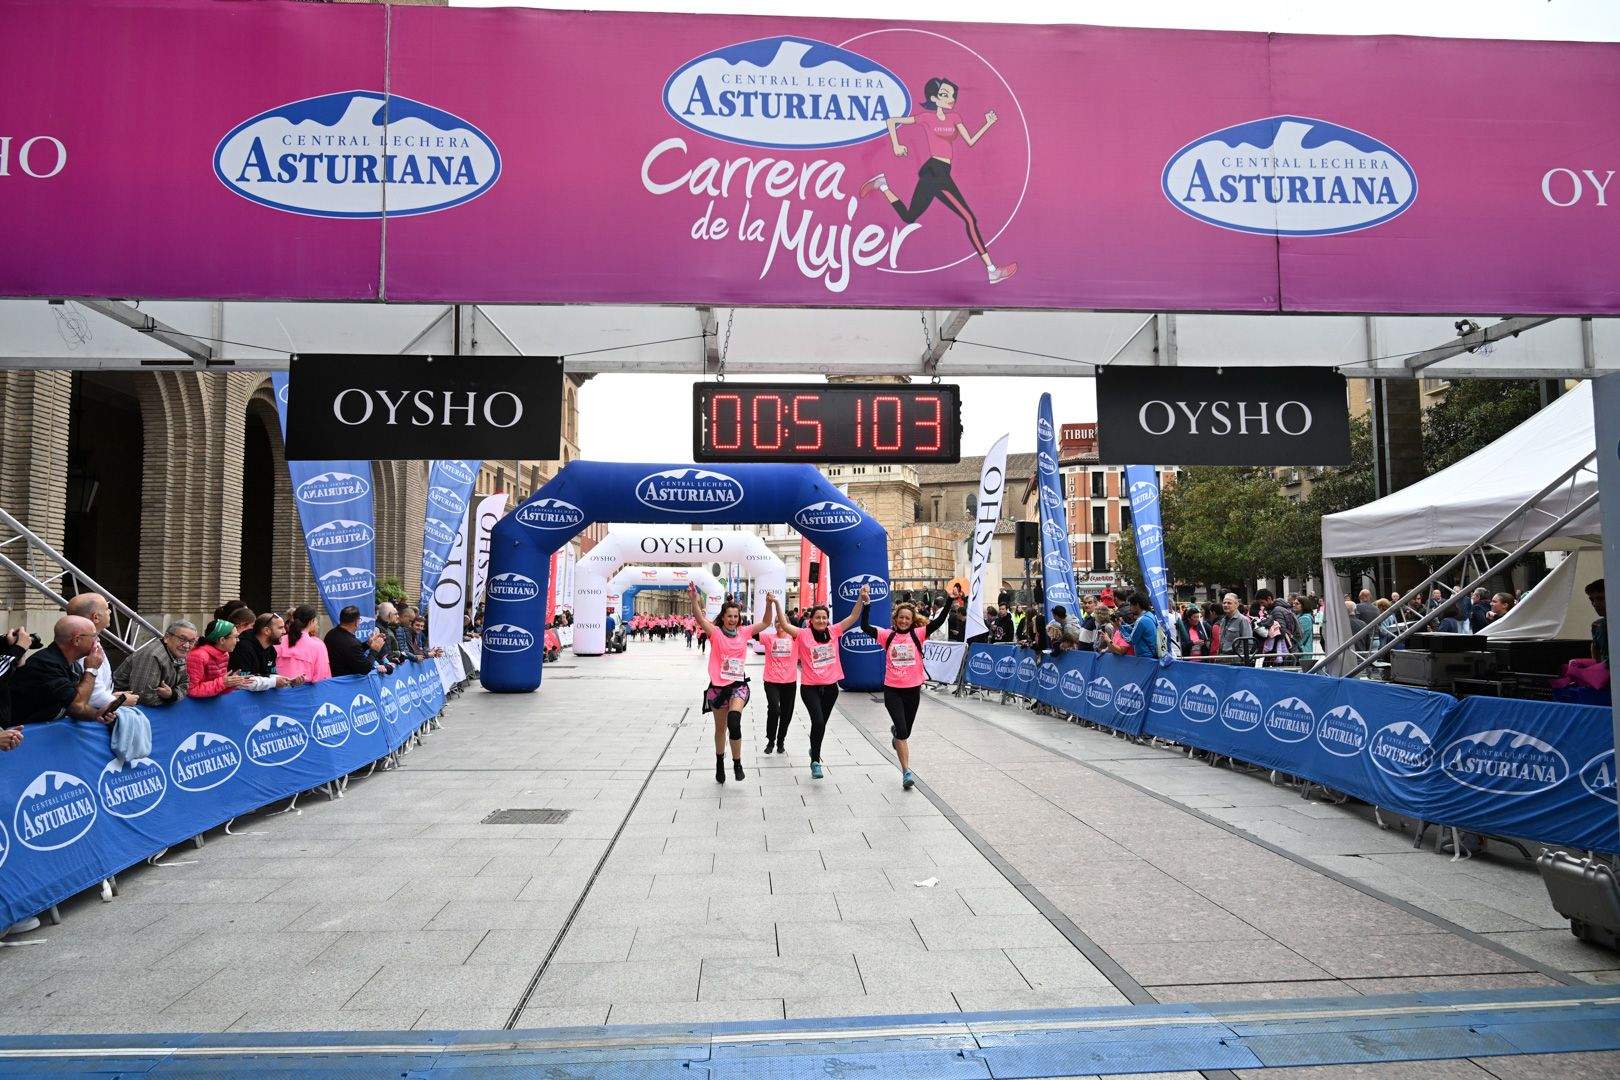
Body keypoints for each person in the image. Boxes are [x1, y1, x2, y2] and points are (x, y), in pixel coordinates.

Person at [859, 77, 1017, 285]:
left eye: (952, 95)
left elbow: (970, 141)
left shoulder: (955, 117)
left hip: (940, 173)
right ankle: (991, 270)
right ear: (934, 98)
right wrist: (896, 145)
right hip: (935, 171)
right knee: (969, 219)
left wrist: (987, 124)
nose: (950, 98)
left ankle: (883, 185)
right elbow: (891, 121)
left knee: (909, 216)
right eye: (944, 95)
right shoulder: (926, 118)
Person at [860, 587, 950, 790]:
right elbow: (865, 626)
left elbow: (939, 621)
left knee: (905, 731)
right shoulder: (887, 636)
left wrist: (950, 600)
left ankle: (897, 733)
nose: (904, 621)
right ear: (896, 618)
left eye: (907, 618)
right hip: (892, 689)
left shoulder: (919, 634)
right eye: (901, 618)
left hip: (912, 690)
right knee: (902, 731)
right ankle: (906, 771)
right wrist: (866, 604)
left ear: (912, 620)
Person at [689, 583, 775, 785]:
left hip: (738, 687)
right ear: (724, 617)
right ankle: (720, 762)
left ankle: (737, 763)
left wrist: (769, 604)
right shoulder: (715, 633)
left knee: (734, 723)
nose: (733, 620)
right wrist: (694, 599)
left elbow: (765, 622)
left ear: (739, 618)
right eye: (730, 616)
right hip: (718, 689)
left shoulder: (744, 632)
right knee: (720, 729)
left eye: (736, 616)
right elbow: (700, 619)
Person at [772, 596, 866, 778]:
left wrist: (861, 599)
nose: (821, 621)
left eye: (824, 617)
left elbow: (854, 616)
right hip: (810, 688)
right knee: (818, 722)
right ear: (811, 620)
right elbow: (784, 625)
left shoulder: (834, 630)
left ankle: (813, 749)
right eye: (818, 618)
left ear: (827, 619)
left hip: (831, 688)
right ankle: (815, 761)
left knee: (820, 726)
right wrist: (776, 604)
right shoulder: (802, 633)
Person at [9, 616, 117, 726]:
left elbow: (71, 707)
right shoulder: (46, 665)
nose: (97, 640)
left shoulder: (72, 665)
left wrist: (97, 714)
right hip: (19, 734)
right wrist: (91, 670)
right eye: (94, 636)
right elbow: (77, 705)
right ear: (77, 640)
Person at [65, 593, 140, 715]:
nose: (110, 611)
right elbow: (92, 694)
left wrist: (111, 696)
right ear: (95, 617)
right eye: (106, 609)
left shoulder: (91, 641)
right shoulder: (82, 646)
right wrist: (117, 701)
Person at [115, 620, 196, 707]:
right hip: (122, 707)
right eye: (182, 639)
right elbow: (143, 697)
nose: (187, 646)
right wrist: (169, 699)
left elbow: (185, 683)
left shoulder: (178, 654)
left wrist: (172, 695)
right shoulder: (152, 655)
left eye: (191, 641)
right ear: (167, 637)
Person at [757, 596, 800, 756]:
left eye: (781, 621)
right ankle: (770, 740)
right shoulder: (768, 638)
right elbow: (750, 633)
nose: (778, 624)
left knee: (786, 713)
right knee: (774, 709)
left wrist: (777, 604)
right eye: (776, 622)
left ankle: (781, 740)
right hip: (771, 681)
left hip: (789, 682)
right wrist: (769, 605)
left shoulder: (795, 638)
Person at [187, 620, 260, 699]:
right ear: (222, 640)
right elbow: (191, 690)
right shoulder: (198, 656)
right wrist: (224, 683)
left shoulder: (224, 654)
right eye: (235, 637)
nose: (238, 640)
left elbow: (218, 688)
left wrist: (232, 682)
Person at [231, 613, 300, 688]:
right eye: (280, 628)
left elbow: (270, 675)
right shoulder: (243, 648)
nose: (284, 631)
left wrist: (289, 682)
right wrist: (273, 682)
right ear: (267, 631)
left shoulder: (271, 650)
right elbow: (244, 681)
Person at [326, 605, 389, 677]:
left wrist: (367, 644)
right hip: (347, 683)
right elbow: (365, 669)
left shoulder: (330, 634)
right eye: (359, 620)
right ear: (356, 622)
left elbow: (349, 652)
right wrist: (374, 650)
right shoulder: (352, 643)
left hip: (332, 680)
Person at [276, 605, 331, 684]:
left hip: (277, 692)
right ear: (311, 621)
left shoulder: (279, 641)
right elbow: (322, 679)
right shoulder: (318, 645)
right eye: (316, 620)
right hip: (304, 693)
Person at [1111, 592, 1160, 659]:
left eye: (1131, 605)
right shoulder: (1149, 615)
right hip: (1151, 655)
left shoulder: (1142, 620)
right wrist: (1122, 624)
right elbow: (1135, 631)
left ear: (1137, 605)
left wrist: (1120, 627)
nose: (1130, 608)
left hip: (1145, 658)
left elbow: (1130, 640)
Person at [1216, 593, 1254, 661]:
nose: (1225, 605)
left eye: (1229, 603)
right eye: (1224, 603)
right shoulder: (1223, 620)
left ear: (1236, 604)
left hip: (1235, 660)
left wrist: (1239, 659)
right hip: (1222, 658)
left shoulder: (1243, 620)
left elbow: (1248, 643)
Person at [1587, 578, 1607, 664]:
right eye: (1592, 600)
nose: (1595, 604)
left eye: (1600, 598)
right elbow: (1595, 647)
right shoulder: (1597, 625)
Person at [1294, 596, 1319, 661]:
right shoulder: (1300, 616)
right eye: (1294, 603)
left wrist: (1291, 636)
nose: (1294, 605)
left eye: (1297, 604)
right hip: (1301, 653)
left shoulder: (1305, 619)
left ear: (1304, 605)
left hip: (1302, 653)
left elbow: (1300, 637)